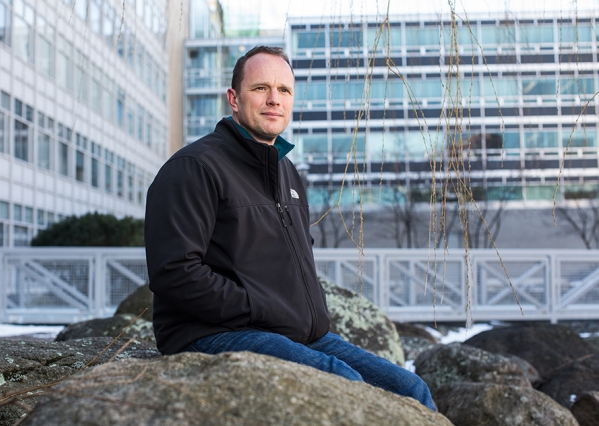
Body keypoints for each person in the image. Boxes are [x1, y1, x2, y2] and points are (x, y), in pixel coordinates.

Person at [145, 46, 436, 411]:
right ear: (234, 99)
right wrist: (260, 307)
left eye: (284, 90)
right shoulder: (195, 167)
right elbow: (174, 272)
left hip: (299, 335)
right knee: (347, 386)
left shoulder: (287, 172)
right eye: (260, 88)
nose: (274, 99)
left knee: (410, 389)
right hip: (213, 332)